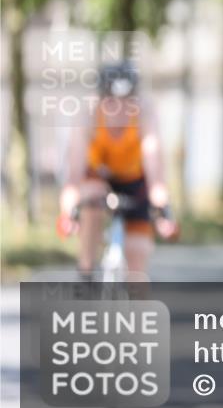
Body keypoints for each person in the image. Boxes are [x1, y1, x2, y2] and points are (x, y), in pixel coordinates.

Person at [57, 61, 177, 280]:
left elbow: (154, 170)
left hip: (135, 181)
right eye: (111, 102)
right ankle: (86, 274)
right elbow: (74, 173)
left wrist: (163, 210)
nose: (119, 109)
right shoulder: (87, 116)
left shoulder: (145, 114)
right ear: (101, 99)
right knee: (91, 201)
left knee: (137, 255)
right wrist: (68, 212)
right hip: (97, 179)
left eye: (127, 102)